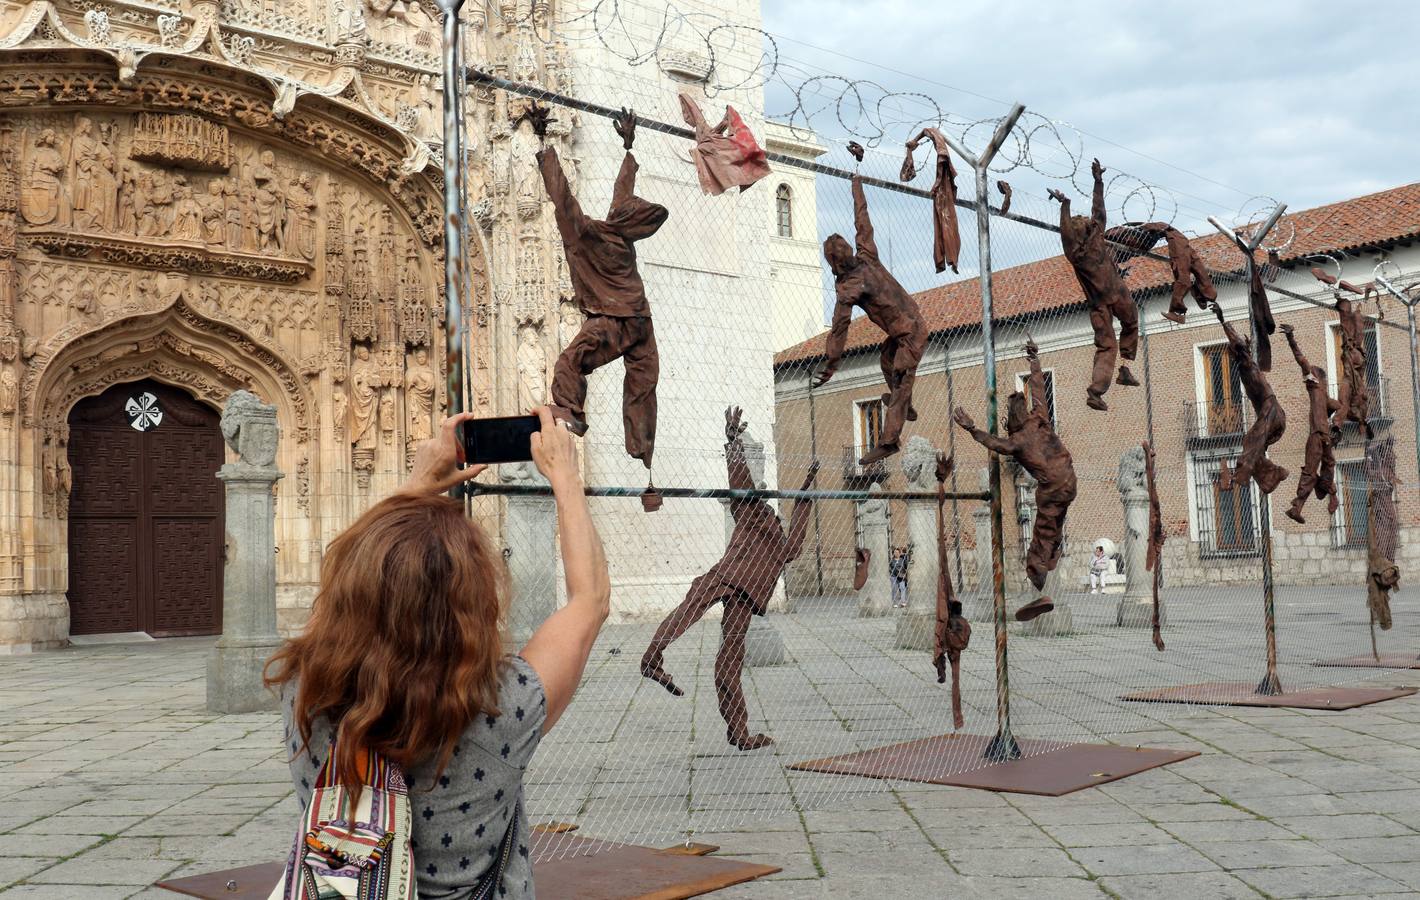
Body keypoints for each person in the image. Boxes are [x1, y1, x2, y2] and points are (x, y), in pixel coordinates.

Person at [265, 407, 610, 900]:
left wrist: (418, 481)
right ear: (474, 601)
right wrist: (566, 479)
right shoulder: (503, 705)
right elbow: (590, 600)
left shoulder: (305, 688)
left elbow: (357, 574)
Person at [640, 407, 819, 751]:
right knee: (696, 617)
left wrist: (808, 486)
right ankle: (653, 658)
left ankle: (738, 730)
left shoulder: (772, 533)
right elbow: (743, 484)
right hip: (737, 584)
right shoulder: (756, 514)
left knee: (725, 659)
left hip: (740, 593)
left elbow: (794, 519)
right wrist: (733, 440)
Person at [953, 337, 1075, 621]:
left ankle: (1038, 588)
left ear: (1011, 421)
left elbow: (993, 443)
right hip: (1070, 480)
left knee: (1041, 538)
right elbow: (1039, 390)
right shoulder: (1040, 420)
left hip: (1052, 488)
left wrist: (971, 428)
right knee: (1054, 528)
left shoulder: (1017, 441)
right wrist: (1034, 360)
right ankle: (1050, 561)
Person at [816, 160, 927, 466]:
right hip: (906, 327)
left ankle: (889, 440)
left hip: (910, 333)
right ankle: (905, 404)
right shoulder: (867, 255)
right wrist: (856, 180)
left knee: (903, 378)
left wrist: (832, 363)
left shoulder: (850, 286)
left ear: (833, 265)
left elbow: (839, 328)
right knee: (886, 360)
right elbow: (862, 218)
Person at [1049, 159, 1139, 411]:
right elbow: (1097, 211)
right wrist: (1097, 182)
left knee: (1106, 345)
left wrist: (1065, 206)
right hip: (1117, 294)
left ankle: (1098, 390)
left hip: (1098, 305)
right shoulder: (1092, 239)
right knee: (1130, 323)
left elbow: (1071, 230)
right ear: (1086, 229)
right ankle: (1126, 364)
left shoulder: (1076, 254)